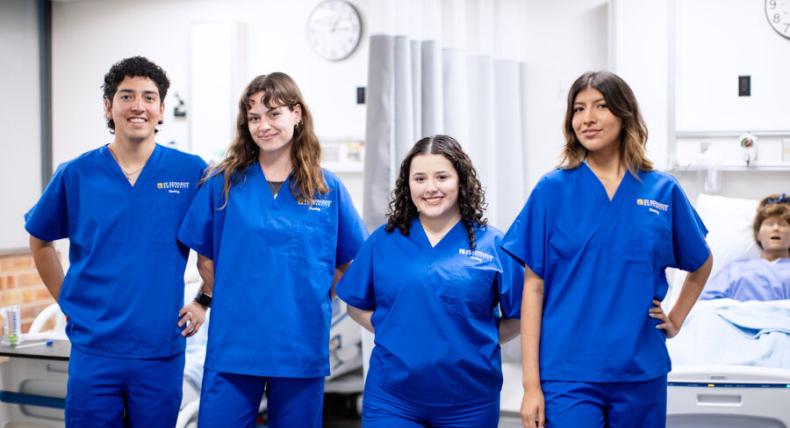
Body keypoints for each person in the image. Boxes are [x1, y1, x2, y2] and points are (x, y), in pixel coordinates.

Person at [501, 71, 713, 428]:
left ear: (624, 113)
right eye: (579, 108)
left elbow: (701, 263)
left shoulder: (662, 190)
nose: (588, 118)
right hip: (568, 374)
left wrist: (675, 318)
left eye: (600, 106)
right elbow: (533, 289)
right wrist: (530, 385)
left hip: (640, 369)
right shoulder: (552, 190)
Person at [24, 56, 208, 427]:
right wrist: (67, 300)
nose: (138, 106)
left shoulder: (189, 172)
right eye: (126, 96)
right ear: (109, 107)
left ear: (160, 109)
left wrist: (205, 299)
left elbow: (218, 243)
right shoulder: (76, 174)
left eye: (149, 97)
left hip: (160, 349)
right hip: (95, 350)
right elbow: (40, 239)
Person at [177, 72, 368, 428]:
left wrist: (318, 298)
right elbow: (206, 258)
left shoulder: (327, 189)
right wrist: (218, 298)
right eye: (254, 117)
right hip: (235, 344)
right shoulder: (224, 183)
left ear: (297, 114)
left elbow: (347, 264)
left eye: (274, 113)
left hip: (299, 344)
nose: (264, 125)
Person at [337, 135, 523, 428]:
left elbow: (522, 316)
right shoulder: (383, 242)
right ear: (407, 184)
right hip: (392, 399)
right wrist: (396, 329)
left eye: (441, 177)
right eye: (420, 178)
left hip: (469, 401)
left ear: (460, 181)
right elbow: (354, 305)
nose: (430, 188)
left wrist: (473, 339)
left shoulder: (492, 245)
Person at [700, 193, 790, 301]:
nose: (776, 228)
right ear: (758, 235)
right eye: (769, 224)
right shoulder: (734, 270)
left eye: (783, 224)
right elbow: (707, 304)